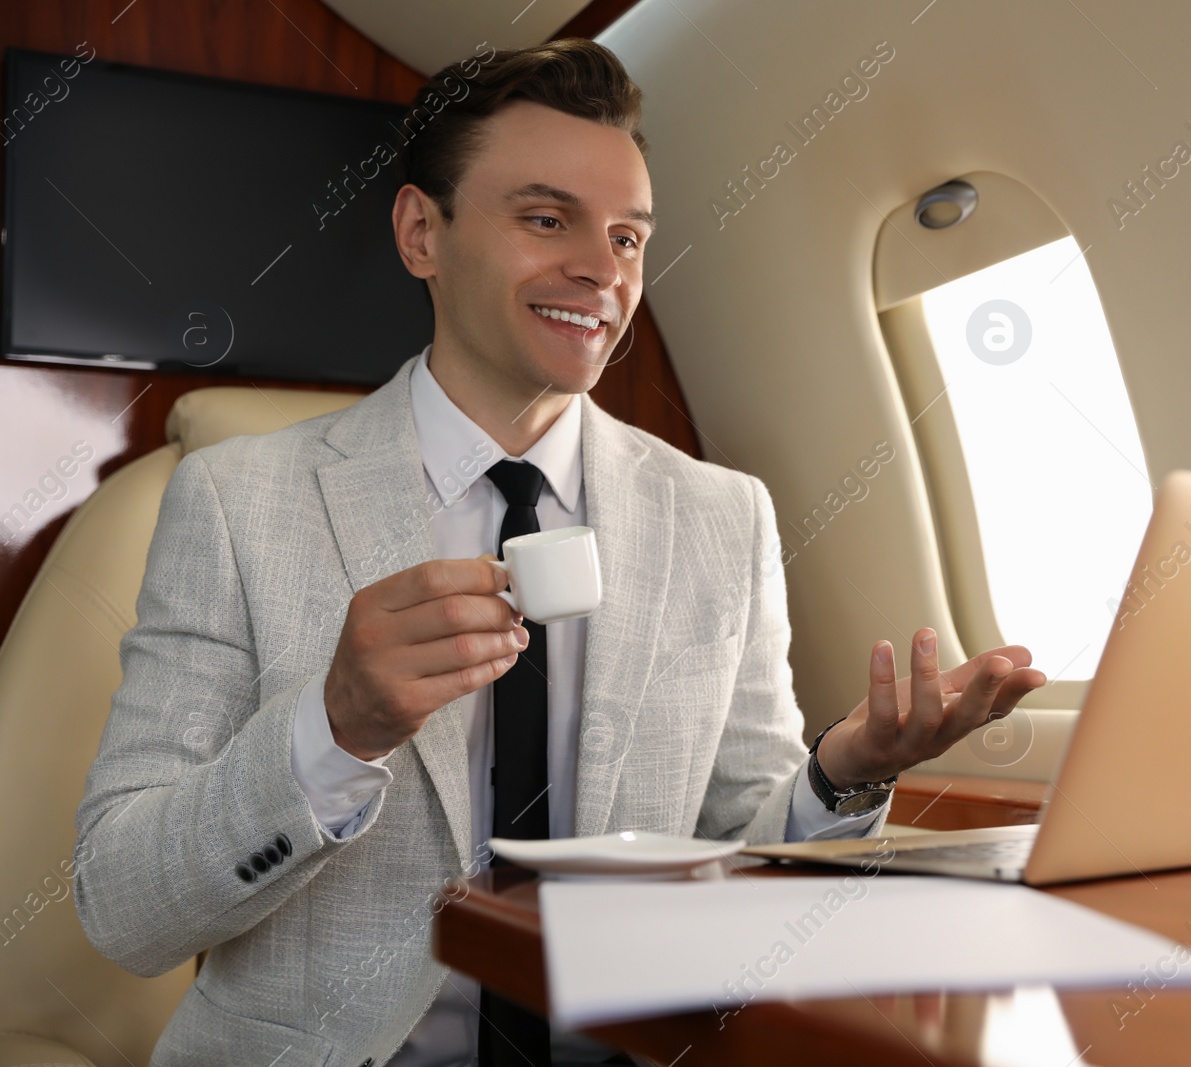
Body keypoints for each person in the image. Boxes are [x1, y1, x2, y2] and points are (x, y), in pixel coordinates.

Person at [73, 38, 1046, 1067]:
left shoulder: (723, 515)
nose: (601, 268)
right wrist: (334, 727)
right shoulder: (236, 502)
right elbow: (123, 906)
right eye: (547, 219)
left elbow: (738, 841)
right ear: (420, 234)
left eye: (628, 237)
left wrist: (844, 775)